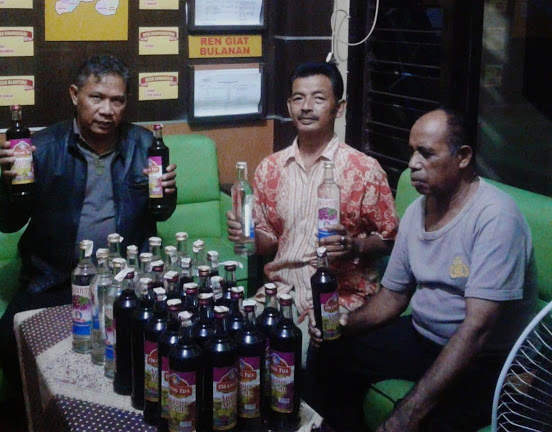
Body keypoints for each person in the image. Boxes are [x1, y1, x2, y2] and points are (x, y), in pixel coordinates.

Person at [309, 108, 538, 431]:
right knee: (330, 351)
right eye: (412, 152)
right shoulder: (417, 211)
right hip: (423, 337)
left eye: (426, 154)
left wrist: (407, 415)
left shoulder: (496, 218)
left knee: (423, 419)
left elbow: (477, 330)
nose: (413, 164)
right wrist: (340, 327)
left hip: (484, 360)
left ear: (463, 157)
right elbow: (393, 296)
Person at [0, 55, 177, 391]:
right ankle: (37, 413)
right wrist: (9, 183)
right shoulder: (41, 148)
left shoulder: (144, 145)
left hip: (124, 278)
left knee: (169, 333)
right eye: (97, 98)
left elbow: (161, 214)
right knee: (7, 340)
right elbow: (7, 223)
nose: (107, 110)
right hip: (55, 277)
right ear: (75, 95)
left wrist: (169, 193)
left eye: (117, 100)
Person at [227, 62, 399, 361]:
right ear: (289, 106)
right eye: (298, 98)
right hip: (281, 293)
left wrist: (356, 246)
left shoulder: (364, 170)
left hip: (339, 296)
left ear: (339, 108)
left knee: (292, 355)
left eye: (318, 98)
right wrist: (248, 236)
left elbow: (391, 240)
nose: (306, 107)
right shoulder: (270, 168)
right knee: (231, 341)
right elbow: (269, 241)